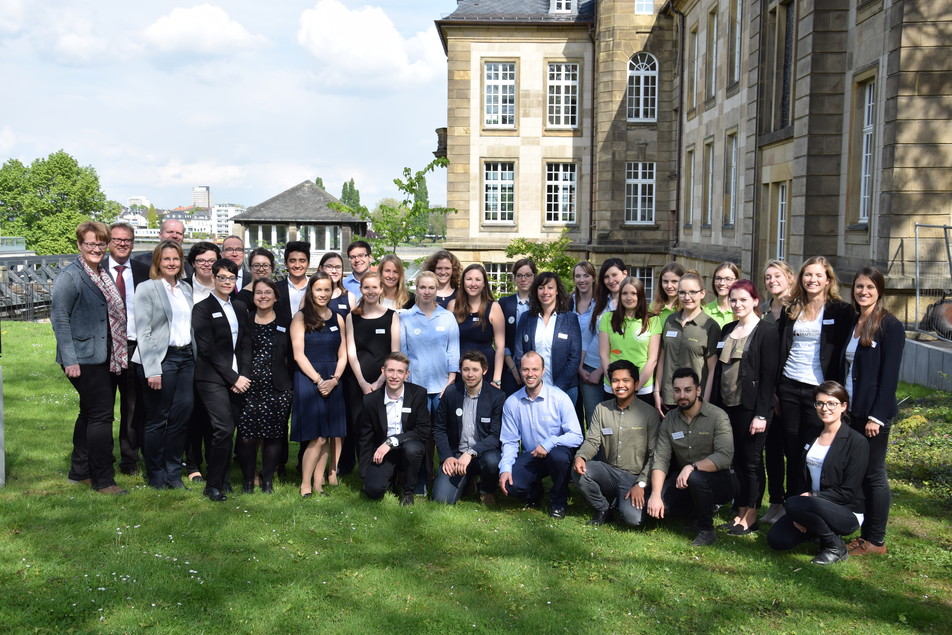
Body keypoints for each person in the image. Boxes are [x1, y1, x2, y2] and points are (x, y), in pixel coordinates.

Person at [52, 221, 128, 495]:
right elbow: (60, 319)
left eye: (100, 243)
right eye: (90, 243)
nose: (96, 248)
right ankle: (103, 480)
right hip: (83, 358)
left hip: (106, 355)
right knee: (101, 416)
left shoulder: (102, 273)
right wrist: (70, 359)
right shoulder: (71, 276)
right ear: (79, 245)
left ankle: (79, 472)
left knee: (89, 414)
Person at [767, 381, 869, 565]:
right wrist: (799, 511)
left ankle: (834, 545)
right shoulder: (812, 434)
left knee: (795, 502)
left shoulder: (857, 442)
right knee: (777, 540)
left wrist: (810, 498)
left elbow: (848, 492)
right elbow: (801, 476)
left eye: (832, 403)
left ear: (844, 406)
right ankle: (816, 532)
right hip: (809, 505)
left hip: (846, 511)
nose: (825, 408)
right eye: (820, 403)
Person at [777, 256, 853, 497]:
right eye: (808, 274)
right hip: (789, 386)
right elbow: (781, 347)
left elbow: (844, 352)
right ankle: (791, 501)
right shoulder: (792, 308)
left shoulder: (841, 311)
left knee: (812, 447)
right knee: (791, 445)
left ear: (828, 279)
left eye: (818, 275)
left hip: (819, 390)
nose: (812, 279)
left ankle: (812, 499)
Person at [843, 267, 905, 556]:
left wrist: (877, 416)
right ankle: (863, 536)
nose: (863, 292)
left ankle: (876, 541)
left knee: (874, 475)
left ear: (880, 290)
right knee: (859, 473)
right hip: (852, 411)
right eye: (858, 286)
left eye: (869, 287)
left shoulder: (890, 326)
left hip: (872, 415)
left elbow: (889, 375)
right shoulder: (855, 321)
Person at [713, 280, 779, 534]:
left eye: (743, 299)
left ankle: (751, 514)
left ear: (755, 301)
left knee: (751, 462)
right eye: (733, 300)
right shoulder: (727, 329)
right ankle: (739, 511)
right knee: (735, 461)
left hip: (751, 409)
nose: (737, 304)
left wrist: (761, 414)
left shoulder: (766, 331)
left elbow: (768, 376)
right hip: (727, 406)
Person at [646, 368, 736, 546]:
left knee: (696, 478)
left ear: (698, 390)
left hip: (721, 480)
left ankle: (706, 530)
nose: (682, 395)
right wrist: (655, 495)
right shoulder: (669, 419)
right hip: (685, 480)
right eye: (677, 390)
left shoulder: (718, 416)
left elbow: (724, 456)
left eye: (687, 389)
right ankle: (697, 509)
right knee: (664, 508)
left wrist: (692, 466)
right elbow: (661, 459)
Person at [131, 240, 194, 490]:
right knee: (157, 419)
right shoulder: (147, 289)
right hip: (161, 359)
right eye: (166, 259)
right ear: (158, 261)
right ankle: (155, 472)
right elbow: (143, 332)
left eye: (176, 259)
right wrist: (152, 368)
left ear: (181, 262)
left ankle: (173, 471)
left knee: (181, 417)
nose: (171, 263)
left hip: (186, 359)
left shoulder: (186, 289)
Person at [192, 259, 251, 502]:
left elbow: (246, 343)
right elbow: (207, 349)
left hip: (239, 378)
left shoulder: (239, 307)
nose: (227, 282)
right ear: (213, 278)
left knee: (229, 430)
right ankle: (212, 485)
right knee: (222, 429)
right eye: (222, 277)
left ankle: (224, 479)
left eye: (231, 278)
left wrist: (244, 374)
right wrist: (233, 377)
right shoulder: (202, 308)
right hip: (212, 379)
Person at [573, 360, 660, 527]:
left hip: (635, 477)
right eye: (615, 381)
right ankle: (604, 509)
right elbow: (592, 440)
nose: (620, 385)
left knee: (634, 520)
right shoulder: (602, 409)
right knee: (580, 471)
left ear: (636, 384)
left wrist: (641, 484)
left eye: (625, 380)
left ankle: (622, 502)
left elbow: (655, 454)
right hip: (609, 473)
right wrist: (581, 456)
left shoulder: (649, 413)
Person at [498, 351, 583, 519]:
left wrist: (550, 442)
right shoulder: (512, 402)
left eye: (535, 369)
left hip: (557, 452)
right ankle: (534, 491)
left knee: (558, 458)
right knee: (512, 486)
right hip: (531, 454)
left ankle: (558, 502)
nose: (530, 374)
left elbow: (577, 435)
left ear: (543, 370)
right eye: (526, 369)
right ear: (520, 371)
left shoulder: (559, 397)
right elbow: (509, 441)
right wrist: (505, 468)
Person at [291, 273, 348, 497]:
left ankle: (318, 483)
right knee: (318, 436)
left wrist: (334, 380)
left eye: (326, 290)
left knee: (329, 433)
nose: (322, 294)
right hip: (309, 378)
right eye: (318, 290)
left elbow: (342, 354)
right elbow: (298, 355)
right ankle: (305, 484)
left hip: (333, 379)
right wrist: (319, 380)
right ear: (311, 291)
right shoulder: (300, 317)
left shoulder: (338, 318)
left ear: (332, 291)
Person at [236, 278, 293, 494]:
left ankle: (267, 480)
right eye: (258, 292)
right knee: (247, 437)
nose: (263, 296)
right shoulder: (246, 320)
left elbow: (293, 355)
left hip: (278, 388)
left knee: (273, 436)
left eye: (268, 292)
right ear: (253, 297)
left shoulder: (286, 322)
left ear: (276, 296)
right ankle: (248, 481)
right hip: (248, 387)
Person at [432, 350, 505, 505]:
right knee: (441, 500)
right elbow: (439, 429)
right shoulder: (451, 393)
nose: (470, 374)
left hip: (483, 454)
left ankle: (487, 489)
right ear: (460, 371)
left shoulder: (497, 397)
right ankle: (468, 481)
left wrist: (471, 453)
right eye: (466, 370)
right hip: (456, 455)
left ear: (484, 371)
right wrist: (447, 457)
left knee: (493, 461)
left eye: (475, 370)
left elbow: (495, 435)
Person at [346, 272, 400, 475]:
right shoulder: (353, 316)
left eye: (374, 287)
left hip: (386, 380)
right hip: (358, 380)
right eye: (366, 287)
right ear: (360, 289)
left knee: (383, 426)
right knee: (361, 426)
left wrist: (380, 381)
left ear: (381, 290)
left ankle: (385, 470)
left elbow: (394, 352)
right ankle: (365, 471)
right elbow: (351, 352)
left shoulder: (391, 316)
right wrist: (361, 382)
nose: (370, 291)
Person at [358, 352, 430, 505]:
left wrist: (393, 441)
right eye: (390, 370)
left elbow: (423, 430)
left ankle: (408, 492)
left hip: (409, 446)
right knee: (373, 491)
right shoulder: (370, 400)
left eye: (400, 371)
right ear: (383, 371)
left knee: (412, 449)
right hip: (384, 453)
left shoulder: (418, 394)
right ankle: (390, 480)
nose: (394, 376)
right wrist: (365, 473)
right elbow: (365, 437)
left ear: (407, 374)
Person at [106, 222, 149, 476]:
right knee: (102, 407)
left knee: (133, 408)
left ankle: (129, 460)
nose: (123, 244)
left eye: (128, 240)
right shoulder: (97, 269)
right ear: (109, 242)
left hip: (135, 347)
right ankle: (99, 457)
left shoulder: (144, 271)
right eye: (117, 239)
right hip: (107, 347)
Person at [759, 259, 796, 524]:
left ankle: (794, 503)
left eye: (777, 276)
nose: (772, 281)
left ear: (790, 278)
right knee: (771, 450)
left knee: (793, 450)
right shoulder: (762, 310)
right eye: (768, 278)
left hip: (793, 389)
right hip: (767, 389)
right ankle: (775, 502)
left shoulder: (798, 309)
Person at [654, 272, 721, 413]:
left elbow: (713, 368)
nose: (687, 297)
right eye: (682, 292)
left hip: (695, 401)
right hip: (669, 398)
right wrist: (657, 392)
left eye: (692, 292)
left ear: (702, 293)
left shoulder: (710, 326)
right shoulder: (670, 321)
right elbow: (662, 359)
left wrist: (706, 403)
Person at [182, 241, 220, 483]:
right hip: (190, 358)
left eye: (212, 261)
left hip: (218, 362)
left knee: (213, 415)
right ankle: (193, 464)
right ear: (193, 263)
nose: (207, 265)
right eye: (201, 261)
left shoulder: (226, 286)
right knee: (192, 413)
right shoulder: (183, 288)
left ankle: (215, 460)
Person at [514, 272, 582, 402]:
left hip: (565, 389)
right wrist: (530, 382)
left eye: (550, 287)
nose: (545, 292)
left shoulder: (570, 319)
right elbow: (519, 353)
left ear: (557, 291)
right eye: (541, 288)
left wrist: (558, 388)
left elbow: (574, 357)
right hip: (533, 388)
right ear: (536, 291)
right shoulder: (526, 318)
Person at [598, 276, 662, 407]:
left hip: (642, 387)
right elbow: (604, 355)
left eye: (633, 293)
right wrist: (615, 383)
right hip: (614, 387)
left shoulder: (653, 321)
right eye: (625, 293)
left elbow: (653, 359)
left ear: (640, 296)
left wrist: (635, 387)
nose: (629, 297)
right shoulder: (607, 318)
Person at [579, 258, 628, 425]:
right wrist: (580, 365)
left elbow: (622, 344)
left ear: (625, 274)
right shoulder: (600, 302)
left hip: (613, 371)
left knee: (612, 422)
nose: (611, 280)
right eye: (606, 277)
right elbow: (587, 336)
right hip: (589, 367)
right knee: (592, 421)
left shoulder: (629, 304)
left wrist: (600, 371)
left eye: (614, 275)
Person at [449, 264, 505, 388]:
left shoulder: (494, 307)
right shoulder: (453, 306)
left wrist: (496, 379)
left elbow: (500, 347)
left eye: (478, 279)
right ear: (463, 282)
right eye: (469, 279)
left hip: (485, 369)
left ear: (484, 283)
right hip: (459, 369)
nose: (473, 283)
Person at [498, 258, 537, 396]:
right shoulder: (504, 303)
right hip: (510, 367)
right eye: (519, 275)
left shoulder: (541, 304)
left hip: (535, 369)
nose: (523, 279)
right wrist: (514, 368)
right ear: (515, 278)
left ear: (534, 277)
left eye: (528, 275)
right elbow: (501, 340)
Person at [570, 261, 596, 420]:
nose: (582, 280)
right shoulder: (567, 302)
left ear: (593, 278)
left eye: (586, 275)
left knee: (593, 414)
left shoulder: (602, 303)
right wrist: (576, 366)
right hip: (571, 364)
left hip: (592, 365)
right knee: (573, 414)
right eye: (578, 276)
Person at [275, 241, 311, 321]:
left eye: (302, 260)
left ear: (308, 263)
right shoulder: (275, 289)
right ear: (285, 263)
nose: (297, 265)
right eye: (292, 261)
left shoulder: (316, 287)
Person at [703, 262, 741, 328]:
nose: (722, 283)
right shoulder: (704, 310)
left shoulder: (741, 311)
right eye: (718, 278)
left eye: (727, 279)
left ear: (736, 281)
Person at [319, 251, 355, 318]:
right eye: (329, 266)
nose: (334, 271)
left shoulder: (350, 297)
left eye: (338, 267)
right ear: (320, 268)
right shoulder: (311, 295)